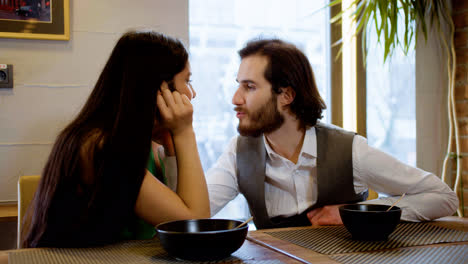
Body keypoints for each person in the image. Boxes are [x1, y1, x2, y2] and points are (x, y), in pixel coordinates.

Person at [206, 38, 459, 229]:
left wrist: (356, 212)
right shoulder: (238, 152)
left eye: (249, 87)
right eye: (238, 85)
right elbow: (188, 214)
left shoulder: (350, 150)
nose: (235, 99)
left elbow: (443, 197)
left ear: (286, 95)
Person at [21, 30, 210, 248]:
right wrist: (185, 133)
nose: (192, 93)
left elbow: (184, 214)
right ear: (160, 89)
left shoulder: (143, 145)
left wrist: (172, 147)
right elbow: (194, 227)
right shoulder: (100, 148)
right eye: (187, 81)